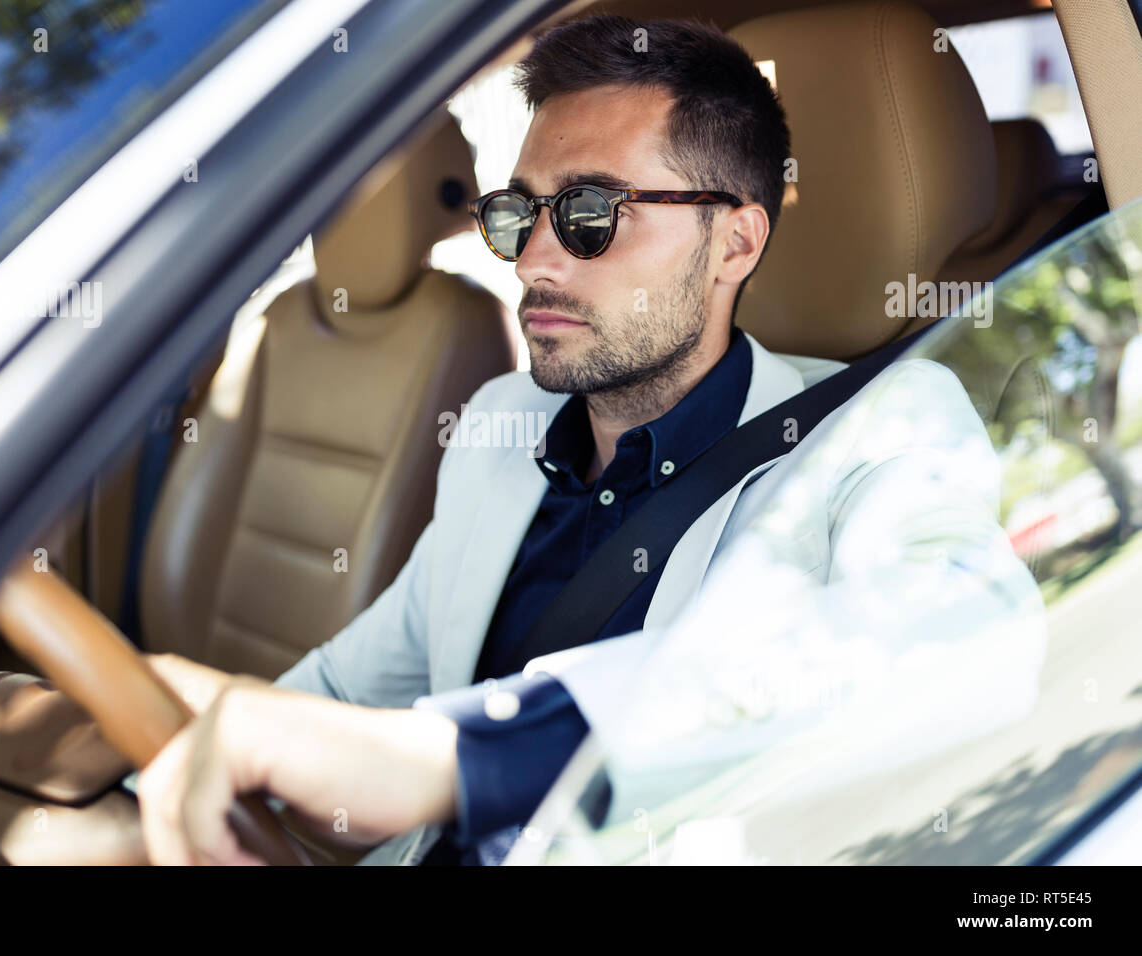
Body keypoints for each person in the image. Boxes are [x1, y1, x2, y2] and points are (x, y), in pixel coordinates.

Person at [136, 14, 1043, 866]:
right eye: (517, 214)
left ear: (733, 243)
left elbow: (967, 640)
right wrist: (155, 741)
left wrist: (464, 758)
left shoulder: (883, 424)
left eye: (589, 215)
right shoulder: (501, 425)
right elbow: (348, 688)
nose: (533, 258)